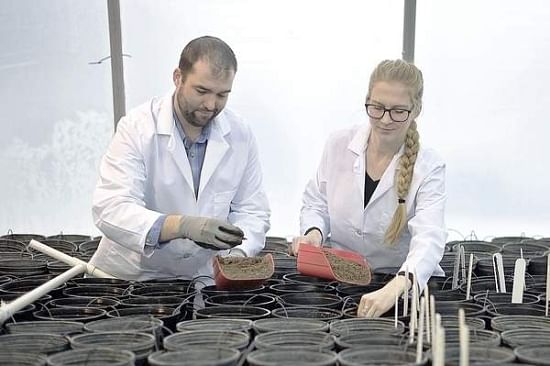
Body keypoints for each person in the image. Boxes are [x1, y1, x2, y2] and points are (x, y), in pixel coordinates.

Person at [89, 36, 270, 281]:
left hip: (201, 278)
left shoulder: (239, 134)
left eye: (222, 95)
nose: (210, 104)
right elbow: (111, 207)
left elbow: (252, 209)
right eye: (202, 91)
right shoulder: (138, 127)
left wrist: (237, 253)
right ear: (178, 78)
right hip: (132, 277)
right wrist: (180, 226)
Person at [291, 59, 446, 318]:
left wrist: (396, 286)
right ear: (367, 100)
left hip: (399, 290)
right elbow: (317, 201)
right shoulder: (339, 144)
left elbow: (429, 238)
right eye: (377, 108)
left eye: (398, 111)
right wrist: (314, 233)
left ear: (416, 109)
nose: (385, 119)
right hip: (340, 282)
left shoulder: (429, 167)